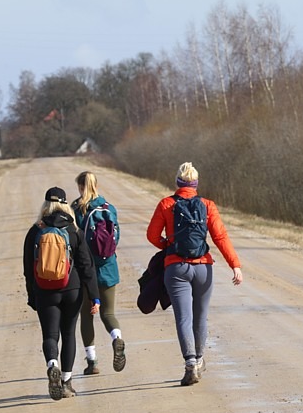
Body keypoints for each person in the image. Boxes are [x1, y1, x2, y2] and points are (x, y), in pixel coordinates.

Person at [146, 162, 243, 386]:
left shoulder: (166, 204)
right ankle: (199, 360)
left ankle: (190, 363)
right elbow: (220, 238)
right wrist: (235, 265)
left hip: (176, 268)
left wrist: (168, 245)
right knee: (200, 316)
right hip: (203, 268)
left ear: (178, 182)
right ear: (196, 183)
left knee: (183, 317)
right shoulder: (208, 205)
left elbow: (152, 235)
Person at [23, 186, 101, 401]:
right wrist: (94, 296)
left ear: (46, 204)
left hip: (44, 290)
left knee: (50, 335)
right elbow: (87, 266)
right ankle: (66, 383)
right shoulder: (73, 230)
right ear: (66, 204)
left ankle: (52, 364)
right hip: (72, 289)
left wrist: (32, 295)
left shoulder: (35, 230)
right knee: (68, 334)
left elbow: (28, 268)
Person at [72, 171, 126, 375]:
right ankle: (116, 338)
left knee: (86, 315)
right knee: (108, 313)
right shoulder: (109, 208)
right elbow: (116, 238)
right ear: (96, 185)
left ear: (80, 186)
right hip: (109, 268)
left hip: (86, 272)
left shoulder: (77, 209)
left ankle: (92, 362)